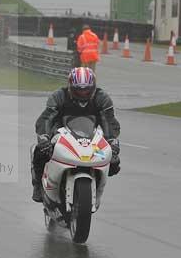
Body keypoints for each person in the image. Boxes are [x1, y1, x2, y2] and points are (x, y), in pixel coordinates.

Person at [30, 67, 121, 204]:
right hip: (61, 133)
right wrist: (44, 138)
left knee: (114, 163)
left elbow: (109, 121)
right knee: (40, 151)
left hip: (91, 135)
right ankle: (38, 186)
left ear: (93, 87)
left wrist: (112, 142)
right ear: (71, 86)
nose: (83, 92)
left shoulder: (102, 98)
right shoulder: (59, 96)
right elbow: (46, 119)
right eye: (79, 89)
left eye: (86, 89)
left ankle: (96, 186)